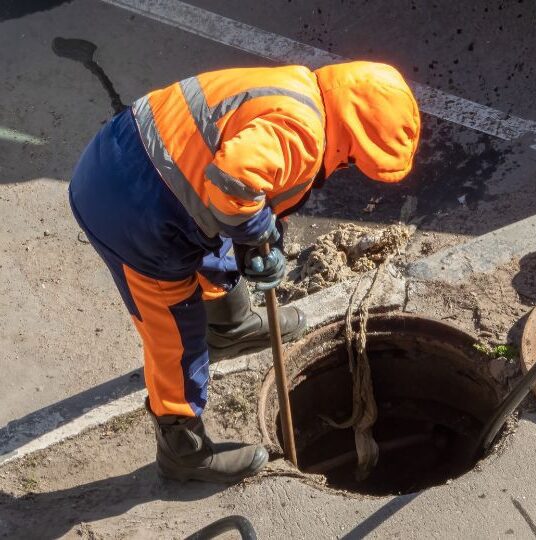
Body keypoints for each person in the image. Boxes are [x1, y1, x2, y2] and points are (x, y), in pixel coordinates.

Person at [69, 61, 420, 483]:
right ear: (351, 134)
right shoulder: (304, 133)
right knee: (174, 337)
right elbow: (234, 183)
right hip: (134, 212)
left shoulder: (297, 86)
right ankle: (183, 449)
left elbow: (240, 176)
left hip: (127, 158)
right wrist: (256, 233)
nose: (347, 167)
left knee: (216, 250)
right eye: (354, 160)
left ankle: (230, 328)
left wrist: (258, 237)